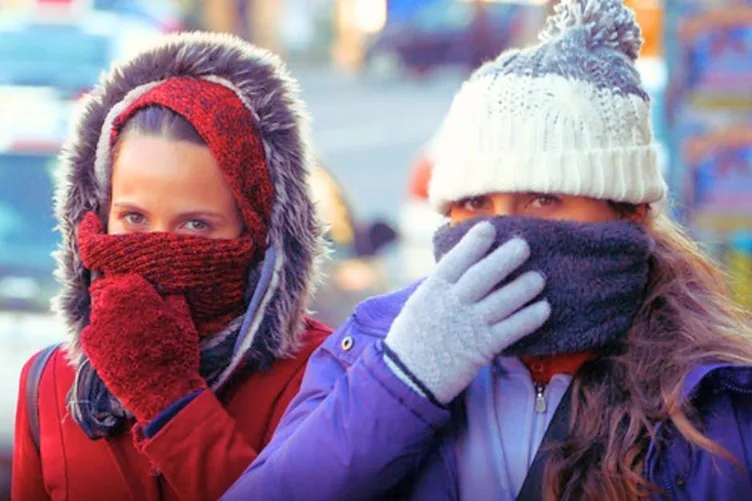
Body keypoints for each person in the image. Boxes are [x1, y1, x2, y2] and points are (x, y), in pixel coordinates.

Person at [221, 1, 752, 500]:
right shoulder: (370, 347)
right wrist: (402, 381)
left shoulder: (713, 401)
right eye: (475, 203)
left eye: (543, 198)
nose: (501, 233)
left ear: (629, 210)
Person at [12, 32, 330, 501]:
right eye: (134, 218)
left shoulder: (322, 380)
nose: (157, 248)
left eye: (196, 224)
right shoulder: (49, 383)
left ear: (260, 234)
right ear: (98, 214)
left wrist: (171, 402)